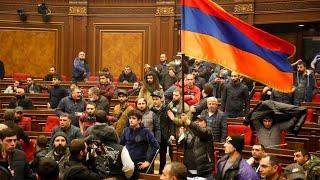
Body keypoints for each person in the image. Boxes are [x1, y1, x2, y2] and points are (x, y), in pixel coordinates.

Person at [120, 109, 160, 177]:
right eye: (130, 118)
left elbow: (156, 147)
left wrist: (148, 161)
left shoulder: (146, 131)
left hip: (140, 163)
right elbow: (120, 145)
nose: (131, 120)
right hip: (127, 163)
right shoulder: (126, 130)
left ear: (139, 120)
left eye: (133, 118)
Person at [178, 114, 214, 179]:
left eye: (200, 120)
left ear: (205, 123)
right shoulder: (188, 133)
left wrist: (188, 122)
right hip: (190, 168)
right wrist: (181, 135)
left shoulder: (208, 131)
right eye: (195, 120)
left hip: (204, 169)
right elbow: (180, 147)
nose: (197, 122)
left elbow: (200, 132)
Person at [150, 90, 175, 174]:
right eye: (153, 99)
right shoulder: (150, 110)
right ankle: (151, 173)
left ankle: (162, 173)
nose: (155, 101)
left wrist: (171, 134)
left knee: (163, 156)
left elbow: (171, 123)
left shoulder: (167, 109)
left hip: (163, 135)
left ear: (161, 99)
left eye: (156, 99)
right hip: (153, 136)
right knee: (152, 156)